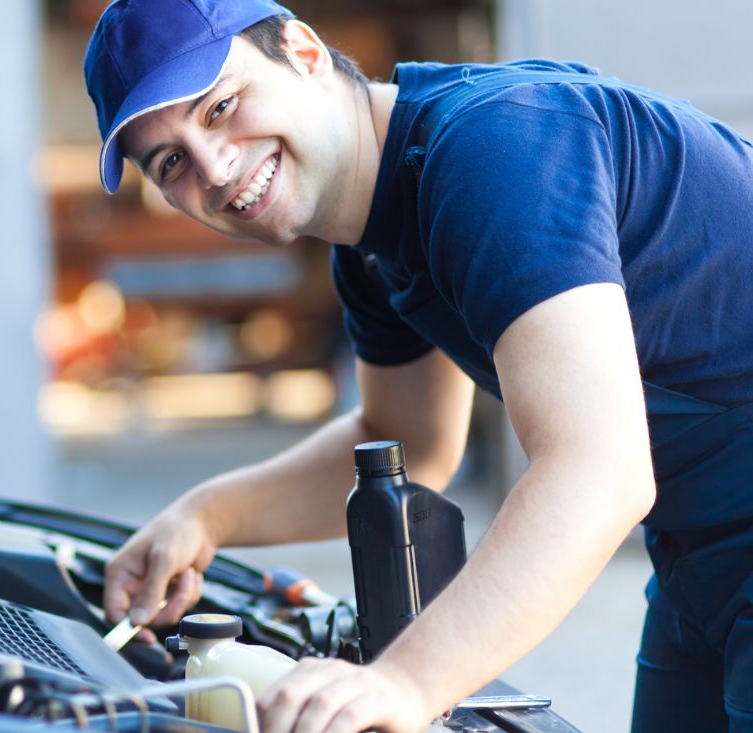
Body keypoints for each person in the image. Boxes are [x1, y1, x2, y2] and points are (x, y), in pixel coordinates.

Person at [82, 1, 753, 732]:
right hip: (700, 561)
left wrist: (408, 678)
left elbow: (597, 472)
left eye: (221, 106)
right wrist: (203, 516)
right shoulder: (372, 243)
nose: (212, 169)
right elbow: (408, 443)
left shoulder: (494, 152)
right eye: (170, 161)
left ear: (303, 51)